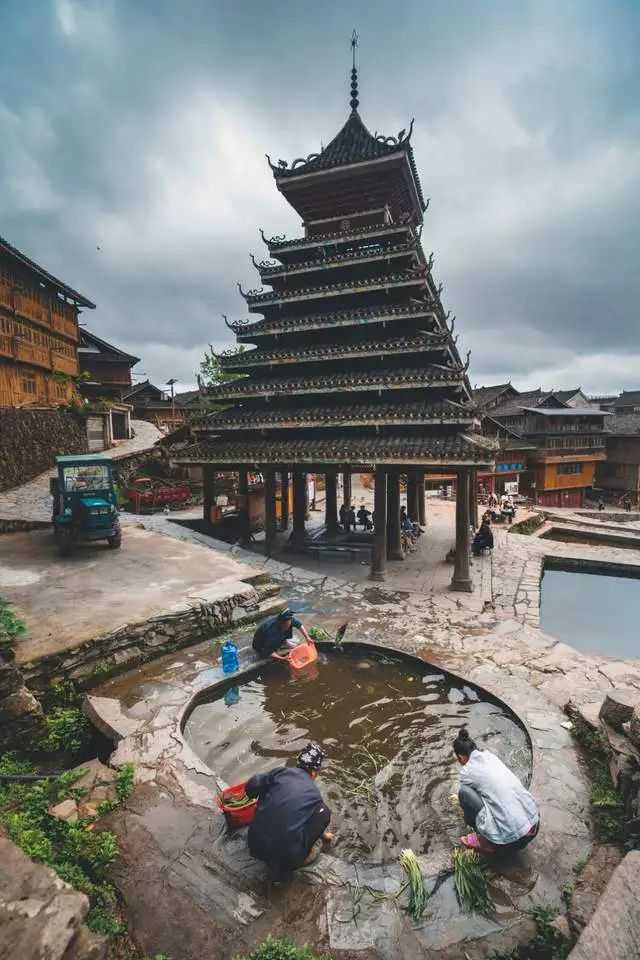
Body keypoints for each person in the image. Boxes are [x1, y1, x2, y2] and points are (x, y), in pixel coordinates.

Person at [245, 742, 333, 877]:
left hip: (254, 845)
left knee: (269, 789)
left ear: (298, 762)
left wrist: (253, 795)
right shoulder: (314, 795)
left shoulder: (280, 773)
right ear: (315, 772)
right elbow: (301, 819)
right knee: (323, 811)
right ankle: (304, 855)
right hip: (286, 861)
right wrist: (322, 835)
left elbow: (253, 784)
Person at [453, 727, 539, 855]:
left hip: (511, 841)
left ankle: (485, 839)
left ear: (460, 756)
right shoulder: (491, 757)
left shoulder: (467, 771)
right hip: (534, 825)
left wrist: (467, 817)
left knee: (464, 793)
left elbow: (469, 799)